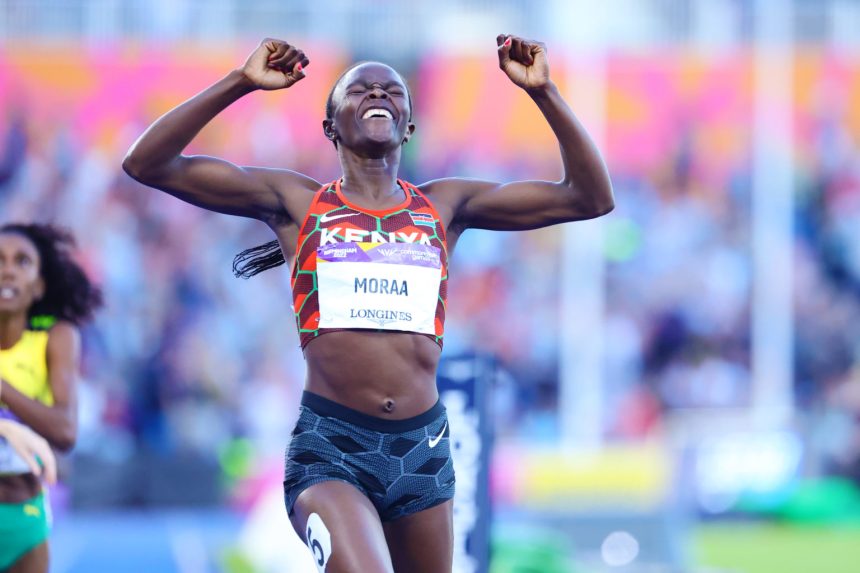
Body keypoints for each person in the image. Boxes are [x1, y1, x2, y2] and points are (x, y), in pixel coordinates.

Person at [123, 34, 613, 573]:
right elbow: (149, 163)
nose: (377, 92)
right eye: (358, 90)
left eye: (391, 89)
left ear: (408, 125)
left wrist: (544, 92)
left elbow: (589, 197)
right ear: (331, 126)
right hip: (331, 449)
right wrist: (241, 82)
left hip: (421, 452)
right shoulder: (298, 203)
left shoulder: (446, 205)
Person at [0, 223, 102, 573]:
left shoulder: (56, 337)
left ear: (39, 285)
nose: (8, 269)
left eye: (22, 261)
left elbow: (66, 432)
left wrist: (3, 389)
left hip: (25, 514)